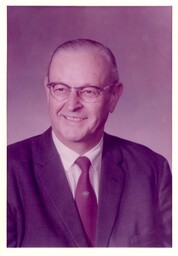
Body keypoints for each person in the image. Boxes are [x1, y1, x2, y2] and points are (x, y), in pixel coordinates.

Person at [7, 39, 172, 247]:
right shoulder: (9, 170)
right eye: (60, 89)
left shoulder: (153, 170)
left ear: (114, 96)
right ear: (47, 90)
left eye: (89, 91)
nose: (72, 104)